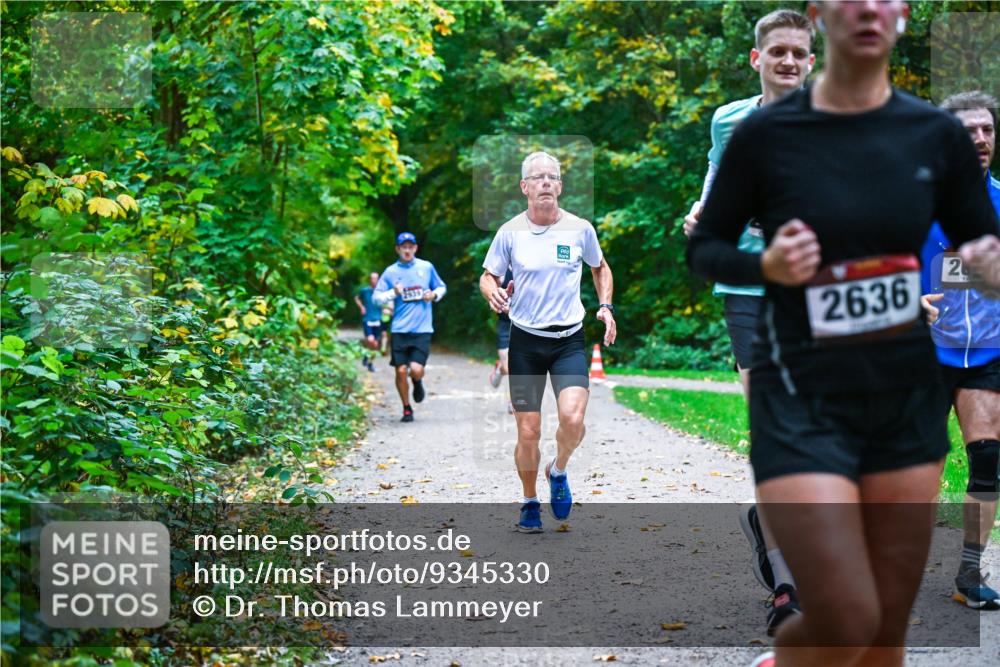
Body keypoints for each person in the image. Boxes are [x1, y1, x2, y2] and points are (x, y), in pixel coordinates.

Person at [686, 2, 1000, 666]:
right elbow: (705, 248)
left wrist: (985, 268)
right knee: (846, 611)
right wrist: (764, 265)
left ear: (903, 16)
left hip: (901, 393)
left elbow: (979, 247)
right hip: (799, 385)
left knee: (884, 630)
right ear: (820, 14)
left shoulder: (932, 136)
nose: (867, 9)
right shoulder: (764, 133)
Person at [683, 7, 816, 635]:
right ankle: (787, 587)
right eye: (778, 52)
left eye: (799, 52)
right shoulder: (728, 119)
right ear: (757, 59)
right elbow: (716, 179)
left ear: (813, 61)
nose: (788, 61)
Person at [480, 151, 616, 532]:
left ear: (559, 186)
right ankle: (528, 500)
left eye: (551, 177)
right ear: (524, 187)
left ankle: (557, 470)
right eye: (536, 177)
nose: (544, 183)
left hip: (569, 341)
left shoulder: (580, 229)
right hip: (525, 343)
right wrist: (492, 292)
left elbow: (600, 267)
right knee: (528, 431)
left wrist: (604, 306)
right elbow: (488, 276)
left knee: (573, 420)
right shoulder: (510, 232)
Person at [919, 90, 1000, 611]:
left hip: (987, 354)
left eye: (987, 129)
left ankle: (969, 573)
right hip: (921, 354)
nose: (980, 139)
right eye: (967, 131)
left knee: (989, 459)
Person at [374, 232, 447, 423]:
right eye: (403, 247)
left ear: (415, 248)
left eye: (410, 246)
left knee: (415, 369)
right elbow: (376, 298)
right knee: (399, 371)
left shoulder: (426, 267)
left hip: (422, 329)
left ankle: (417, 380)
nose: (407, 250)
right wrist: (393, 292)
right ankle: (407, 408)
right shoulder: (390, 272)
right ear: (398, 249)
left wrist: (433, 295)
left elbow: (441, 287)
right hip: (399, 329)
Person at [488, 268, 515, 414]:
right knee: (508, 367)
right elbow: (488, 285)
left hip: (525, 326)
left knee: (518, 364)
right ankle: (500, 368)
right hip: (505, 326)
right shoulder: (502, 272)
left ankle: (514, 400)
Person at [354, 272, 382, 372]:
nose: (374, 280)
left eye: (376, 278)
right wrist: (361, 307)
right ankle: (369, 361)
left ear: (378, 280)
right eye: (372, 278)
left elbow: (388, 302)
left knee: (375, 344)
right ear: (370, 280)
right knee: (371, 341)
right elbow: (356, 298)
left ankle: (368, 359)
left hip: (378, 319)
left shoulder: (381, 292)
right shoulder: (365, 291)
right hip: (367, 319)